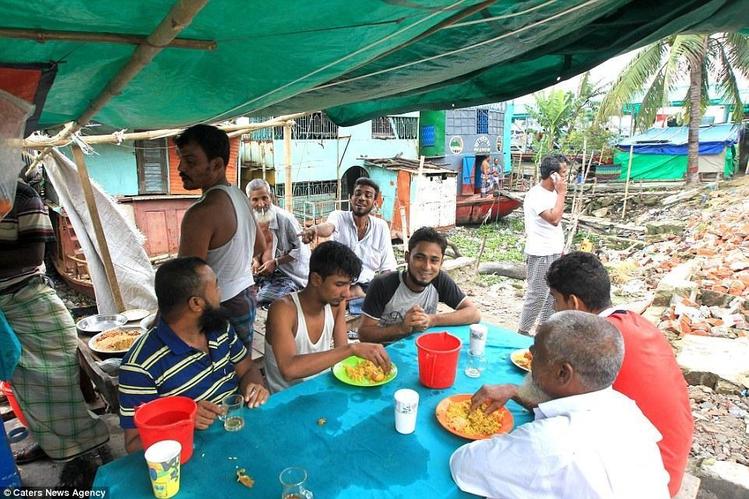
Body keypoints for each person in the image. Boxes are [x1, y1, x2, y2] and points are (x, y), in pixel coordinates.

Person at [450, 311, 669, 498]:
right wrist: (516, 392)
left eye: (537, 351)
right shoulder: (624, 408)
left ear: (563, 373)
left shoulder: (546, 443)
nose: (530, 354)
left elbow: (464, 466)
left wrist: (500, 440)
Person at [545, 252, 693, 496]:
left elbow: (552, 399)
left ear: (573, 303)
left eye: (555, 300)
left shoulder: (594, 342)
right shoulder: (635, 321)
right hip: (670, 458)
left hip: (647, 477)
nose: (554, 309)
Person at [0, 178, 109, 469]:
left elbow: (32, 254)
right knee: (25, 389)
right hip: (5, 308)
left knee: (60, 387)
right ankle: (51, 443)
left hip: (30, 301)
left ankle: (86, 455)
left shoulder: (21, 195)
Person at [118, 257, 268, 453]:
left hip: (239, 432)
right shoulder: (139, 366)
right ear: (196, 303)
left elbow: (247, 368)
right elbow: (134, 444)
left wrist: (254, 387)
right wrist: (183, 422)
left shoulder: (219, 328)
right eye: (216, 286)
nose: (220, 293)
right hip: (192, 453)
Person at [176, 124, 265, 350]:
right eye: (181, 160)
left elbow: (186, 281)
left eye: (190, 161)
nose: (181, 167)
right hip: (245, 298)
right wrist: (232, 264)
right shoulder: (240, 196)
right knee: (239, 369)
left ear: (216, 164)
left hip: (217, 309)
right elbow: (259, 246)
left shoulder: (200, 213)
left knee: (213, 377)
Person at [263, 241, 391, 393]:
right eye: (339, 284)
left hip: (322, 390)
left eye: (349, 285)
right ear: (316, 279)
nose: (347, 293)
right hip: (285, 401)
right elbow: (289, 369)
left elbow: (342, 353)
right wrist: (353, 348)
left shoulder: (337, 304)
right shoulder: (283, 310)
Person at [357, 227, 480, 343]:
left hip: (420, 349)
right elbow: (364, 334)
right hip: (383, 352)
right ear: (407, 257)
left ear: (441, 263)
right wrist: (401, 328)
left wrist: (432, 320)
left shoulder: (439, 280)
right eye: (419, 258)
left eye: (434, 260)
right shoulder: (383, 284)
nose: (427, 267)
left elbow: (473, 313)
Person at [299, 177, 396, 298]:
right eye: (358, 193)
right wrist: (315, 229)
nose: (361, 198)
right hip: (337, 282)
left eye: (368, 195)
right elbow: (329, 227)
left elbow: (388, 268)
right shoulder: (338, 216)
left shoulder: (381, 227)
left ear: (375, 203)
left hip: (366, 285)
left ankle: (359, 295)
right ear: (351, 198)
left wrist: (382, 291)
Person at [517, 154, 567, 336]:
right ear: (553, 175)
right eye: (563, 173)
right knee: (538, 294)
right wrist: (562, 193)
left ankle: (543, 332)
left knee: (551, 294)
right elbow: (554, 219)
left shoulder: (552, 193)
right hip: (540, 253)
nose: (565, 178)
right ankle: (522, 332)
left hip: (553, 251)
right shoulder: (536, 195)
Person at [246, 179, 310, 306]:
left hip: (287, 275)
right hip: (262, 275)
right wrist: (256, 261)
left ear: (271, 198)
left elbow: (300, 250)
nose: (261, 204)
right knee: (240, 294)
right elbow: (250, 247)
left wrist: (276, 262)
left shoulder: (285, 220)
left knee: (266, 300)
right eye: (255, 200)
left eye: (265, 198)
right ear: (249, 201)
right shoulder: (249, 220)